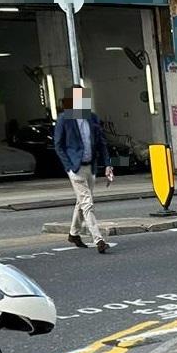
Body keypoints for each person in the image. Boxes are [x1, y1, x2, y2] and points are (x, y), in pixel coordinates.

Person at [53, 85, 114, 255]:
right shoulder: (64, 119)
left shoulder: (92, 117)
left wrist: (107, 164)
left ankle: (73, 234)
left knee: (82, 201)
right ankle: (98, 239)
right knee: (87, 203)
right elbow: (58, 145)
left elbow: (101, 143)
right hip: (76, 167)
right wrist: (69, 166)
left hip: (90, 166)